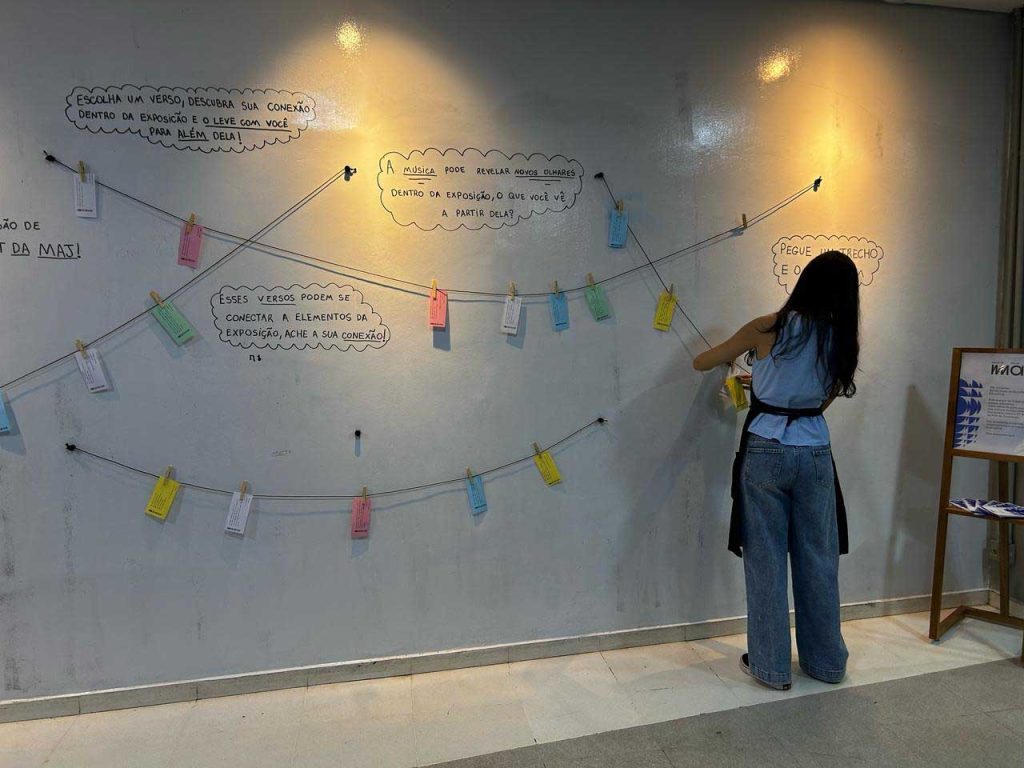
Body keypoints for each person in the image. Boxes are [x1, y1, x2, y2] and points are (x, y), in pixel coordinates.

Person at [692, 250, 860, 691]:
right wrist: (780, 389)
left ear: (806, 282)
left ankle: (770, 666)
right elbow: (821, 399)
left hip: (766, 447)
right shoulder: (841, 337)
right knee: (818, 558)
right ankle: (826, 663)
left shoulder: (768, 326)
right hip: (815, 449)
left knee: (765, 559)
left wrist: (753, 373)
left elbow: (703, 361)